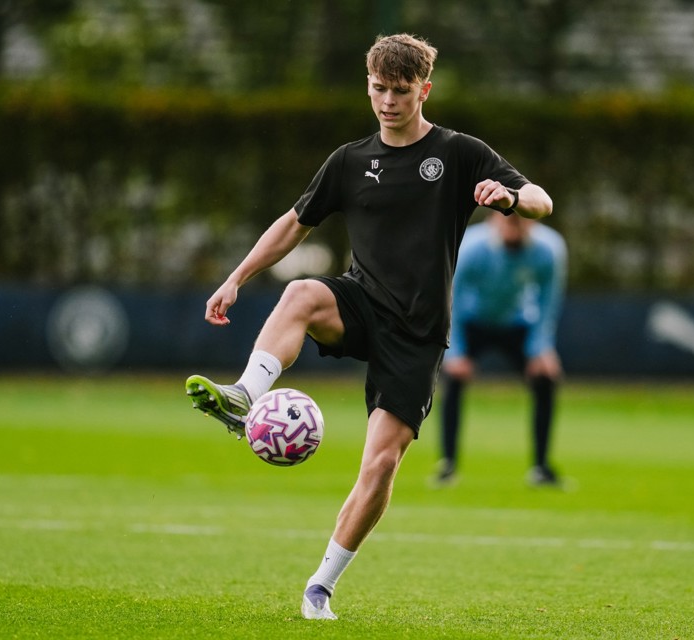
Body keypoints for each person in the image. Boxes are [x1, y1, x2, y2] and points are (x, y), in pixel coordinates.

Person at [184, 34, 553, 619]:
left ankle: (320, 586)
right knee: (303, 291)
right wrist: (237, 277)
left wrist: (507, 198)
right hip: (359, 302)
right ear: (368, 85)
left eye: (400, 92)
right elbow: (293, 223)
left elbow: (541, 201)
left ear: (423, 90)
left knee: (381, 464)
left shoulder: (458, 153)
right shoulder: (350, 161)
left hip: (417, 333)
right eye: (378, 89)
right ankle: (243, 397)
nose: (387, 101)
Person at [434, 211, 567, 487]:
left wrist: (540, 348)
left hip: (517, 322)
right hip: (473, 321)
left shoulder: (548, 249)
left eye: (522, 219)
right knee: (452, 380)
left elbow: (547, 301)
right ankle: (447, 464)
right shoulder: (471, 246)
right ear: (495, 218)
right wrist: (455, 352)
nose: (514, 225)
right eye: (508, 219)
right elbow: (451, 297)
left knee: (546, 378)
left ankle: (541, 467)